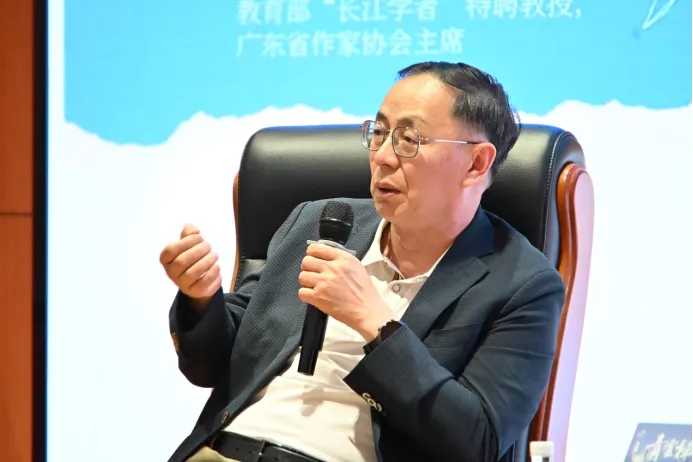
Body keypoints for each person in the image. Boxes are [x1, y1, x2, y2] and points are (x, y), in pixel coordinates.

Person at [160, 61, 566, 462]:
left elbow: (478, 442)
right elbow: (215, 366)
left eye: (409, 139)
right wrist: (202, 299)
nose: (383, 157)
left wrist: (376, 324)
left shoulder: (523, 284)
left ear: (476, 163)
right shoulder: (317, 221)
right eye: (380, 132)